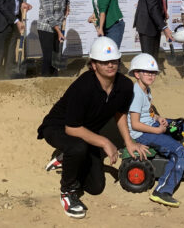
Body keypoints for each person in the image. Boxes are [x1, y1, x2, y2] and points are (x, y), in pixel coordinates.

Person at [37, 37, 148, 219]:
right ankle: (67, 192)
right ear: (94, 65)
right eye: (104, 62)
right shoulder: (83, 87)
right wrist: (105, 142)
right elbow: (72, 129)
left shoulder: (125, 85)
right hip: (59, 127)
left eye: (114, 60)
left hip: (85, 132)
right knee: (77, 147)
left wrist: (129, 142)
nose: (110, 65)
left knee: (95, 187)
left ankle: (69, 159)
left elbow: (120, 113)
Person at [127, 53, 184, 207]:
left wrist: (159, 118)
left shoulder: (145, 89)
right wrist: (157, 131)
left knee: (179, 124)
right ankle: (162, 192)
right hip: (142, 134)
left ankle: (175, 143)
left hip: (151, 125)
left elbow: (148, 112)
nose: (151, 75)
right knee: (179, 151)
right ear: (137, 74)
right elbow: (135, 124)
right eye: (147, 72)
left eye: (153, 73)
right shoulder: (136, 94)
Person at [38, 0, 69, 77]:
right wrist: (59, 32)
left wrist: (67, 7)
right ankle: (45, 78)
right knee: (48, 57)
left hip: (58, 27)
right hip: (46, 28)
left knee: (56, 55)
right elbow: (49, 16)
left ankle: (55, 79)